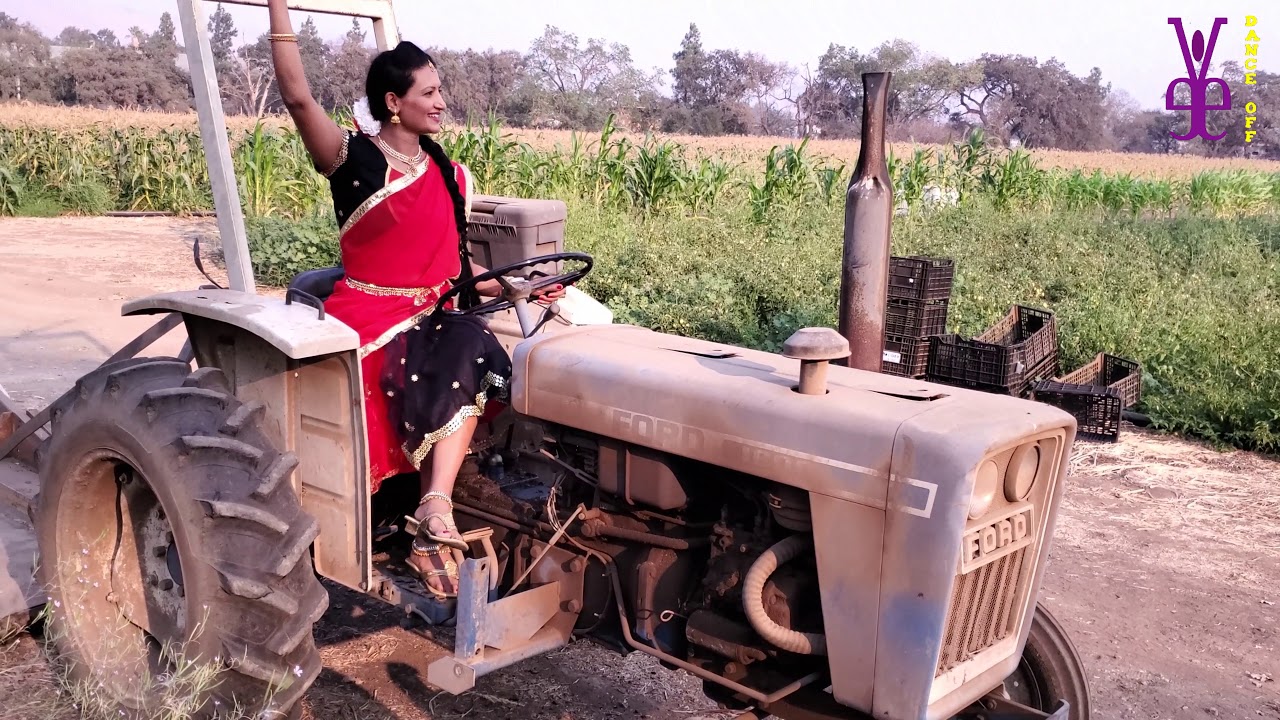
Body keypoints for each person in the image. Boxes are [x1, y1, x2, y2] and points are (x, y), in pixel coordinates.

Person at [266, 0, 562, 600]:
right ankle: (433, 512)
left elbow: (455, 268)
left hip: (432, 312)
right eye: (427, 92)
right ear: (392, 103)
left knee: (506, 342)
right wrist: (278, 10)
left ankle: (456, 504)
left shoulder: (450, 174)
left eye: (441, 90)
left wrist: (514, 284)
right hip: (371, 314)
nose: (441, 102)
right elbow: (298, 97)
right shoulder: (355, 160)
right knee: (470, 347)